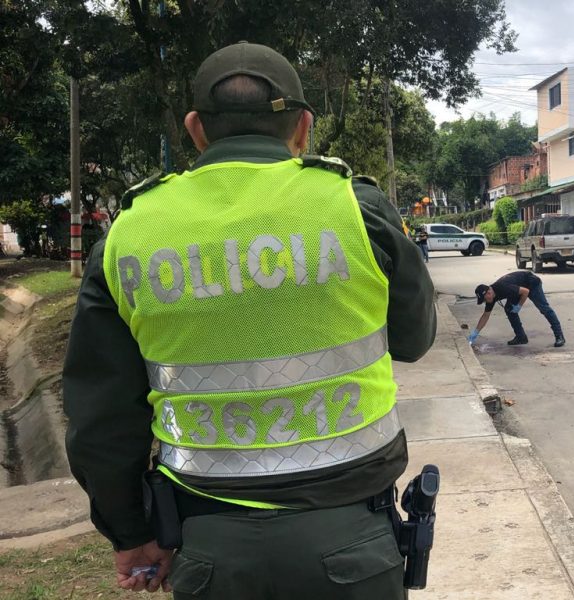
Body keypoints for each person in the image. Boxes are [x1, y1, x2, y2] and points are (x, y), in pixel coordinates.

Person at [62, 42, 435, 599]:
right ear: (303, 127)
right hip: (354, 538)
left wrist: (130, 532)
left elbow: (100, 418)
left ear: (195, 129)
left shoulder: (128, 234)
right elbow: (413, 340)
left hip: (208, 546)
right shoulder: (356, 208)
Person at [468, 271, 564, 347]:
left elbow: (525, 291)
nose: (485, 302)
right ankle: (521, 337)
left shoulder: (503, 287)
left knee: (544, 308)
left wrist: (519, 306)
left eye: (484, 299)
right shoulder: (490, 298)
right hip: (518, 288)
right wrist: (475, 332)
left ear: (489, 292)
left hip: (531, 283)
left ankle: (559, 336)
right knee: (509, 309)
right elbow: (485, 315)